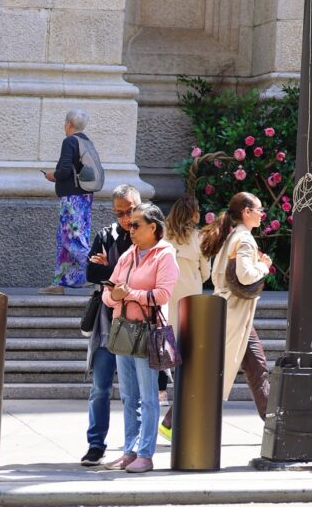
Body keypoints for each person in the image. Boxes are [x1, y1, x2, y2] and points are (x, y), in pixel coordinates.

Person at [101, 203, 177, 472]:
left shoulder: (165, 254)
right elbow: (108, 293)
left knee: (148, 397)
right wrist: (115, 297)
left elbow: (162, 295)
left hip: (148, 332)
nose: (129, 229)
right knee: (128, 397)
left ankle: (146, 454)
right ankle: (129, 451)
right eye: (129, 225)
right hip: (123, 331)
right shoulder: (128, 255)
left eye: (136, 225)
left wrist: (129, 293)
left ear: (153, 227)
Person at [81, 185, 142, 467]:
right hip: (108, 321)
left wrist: (112, 271)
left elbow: (143, 277)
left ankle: (135, 447)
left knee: (135, 392)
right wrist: (117, 274)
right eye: (120, 212)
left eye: (130, 210)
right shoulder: (106, 235)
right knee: (100, 388)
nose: (125, 218)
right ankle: (96, 444)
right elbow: (92, 272)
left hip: (136, 322)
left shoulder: (148, 234)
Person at [199, 191, 272, 418]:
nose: (262, 215)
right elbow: (247, 275)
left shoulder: (231, 236)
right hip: (234, 312)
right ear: (246, 212)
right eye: (259, 210)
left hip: (232, 311)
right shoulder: (245, 239)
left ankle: (273, 423)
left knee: (257, 367)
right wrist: (264, 266)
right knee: (216, 370)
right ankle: (174, 422)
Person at [158, 193, 208, 441]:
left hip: (167, 301)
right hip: (191, 303)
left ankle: (171, 415)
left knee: (172, 358)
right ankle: (174, 420)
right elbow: (206, 272)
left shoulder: (163, 234)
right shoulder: (199, 238)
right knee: (189, 362)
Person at [45, 109, 100, 290]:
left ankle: (98, 272)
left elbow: (65, 170)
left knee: (72, 239)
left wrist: (53, 175)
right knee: (67, 238)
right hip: (84, 197)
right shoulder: (86, 142)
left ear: (68, 124)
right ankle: (59, 282)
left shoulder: (69, 141)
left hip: (72, 199)